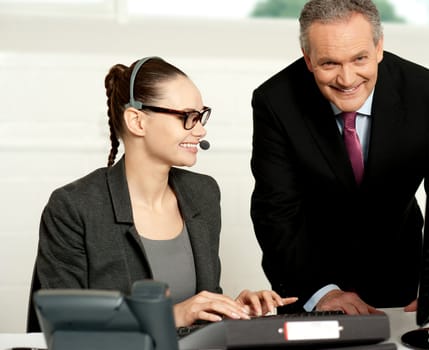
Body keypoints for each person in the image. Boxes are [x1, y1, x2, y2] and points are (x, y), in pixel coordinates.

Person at [29, 56, 297, 331]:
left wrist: (232, 310)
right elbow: (65, 324)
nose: (201, 130)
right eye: (187, 118)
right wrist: (173, 315)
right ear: (137, 121)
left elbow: (198, 311)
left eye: (201, 116)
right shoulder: (74, 207)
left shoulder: (203, 194)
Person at [250, 0, 429, 316]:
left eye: (359, 58)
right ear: (308, 59)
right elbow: (275, 211)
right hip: (311, 280)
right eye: (329, 63)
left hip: (401, 275)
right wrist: (321, 293)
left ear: (379, 47)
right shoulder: (275, 101)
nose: (347, 79)